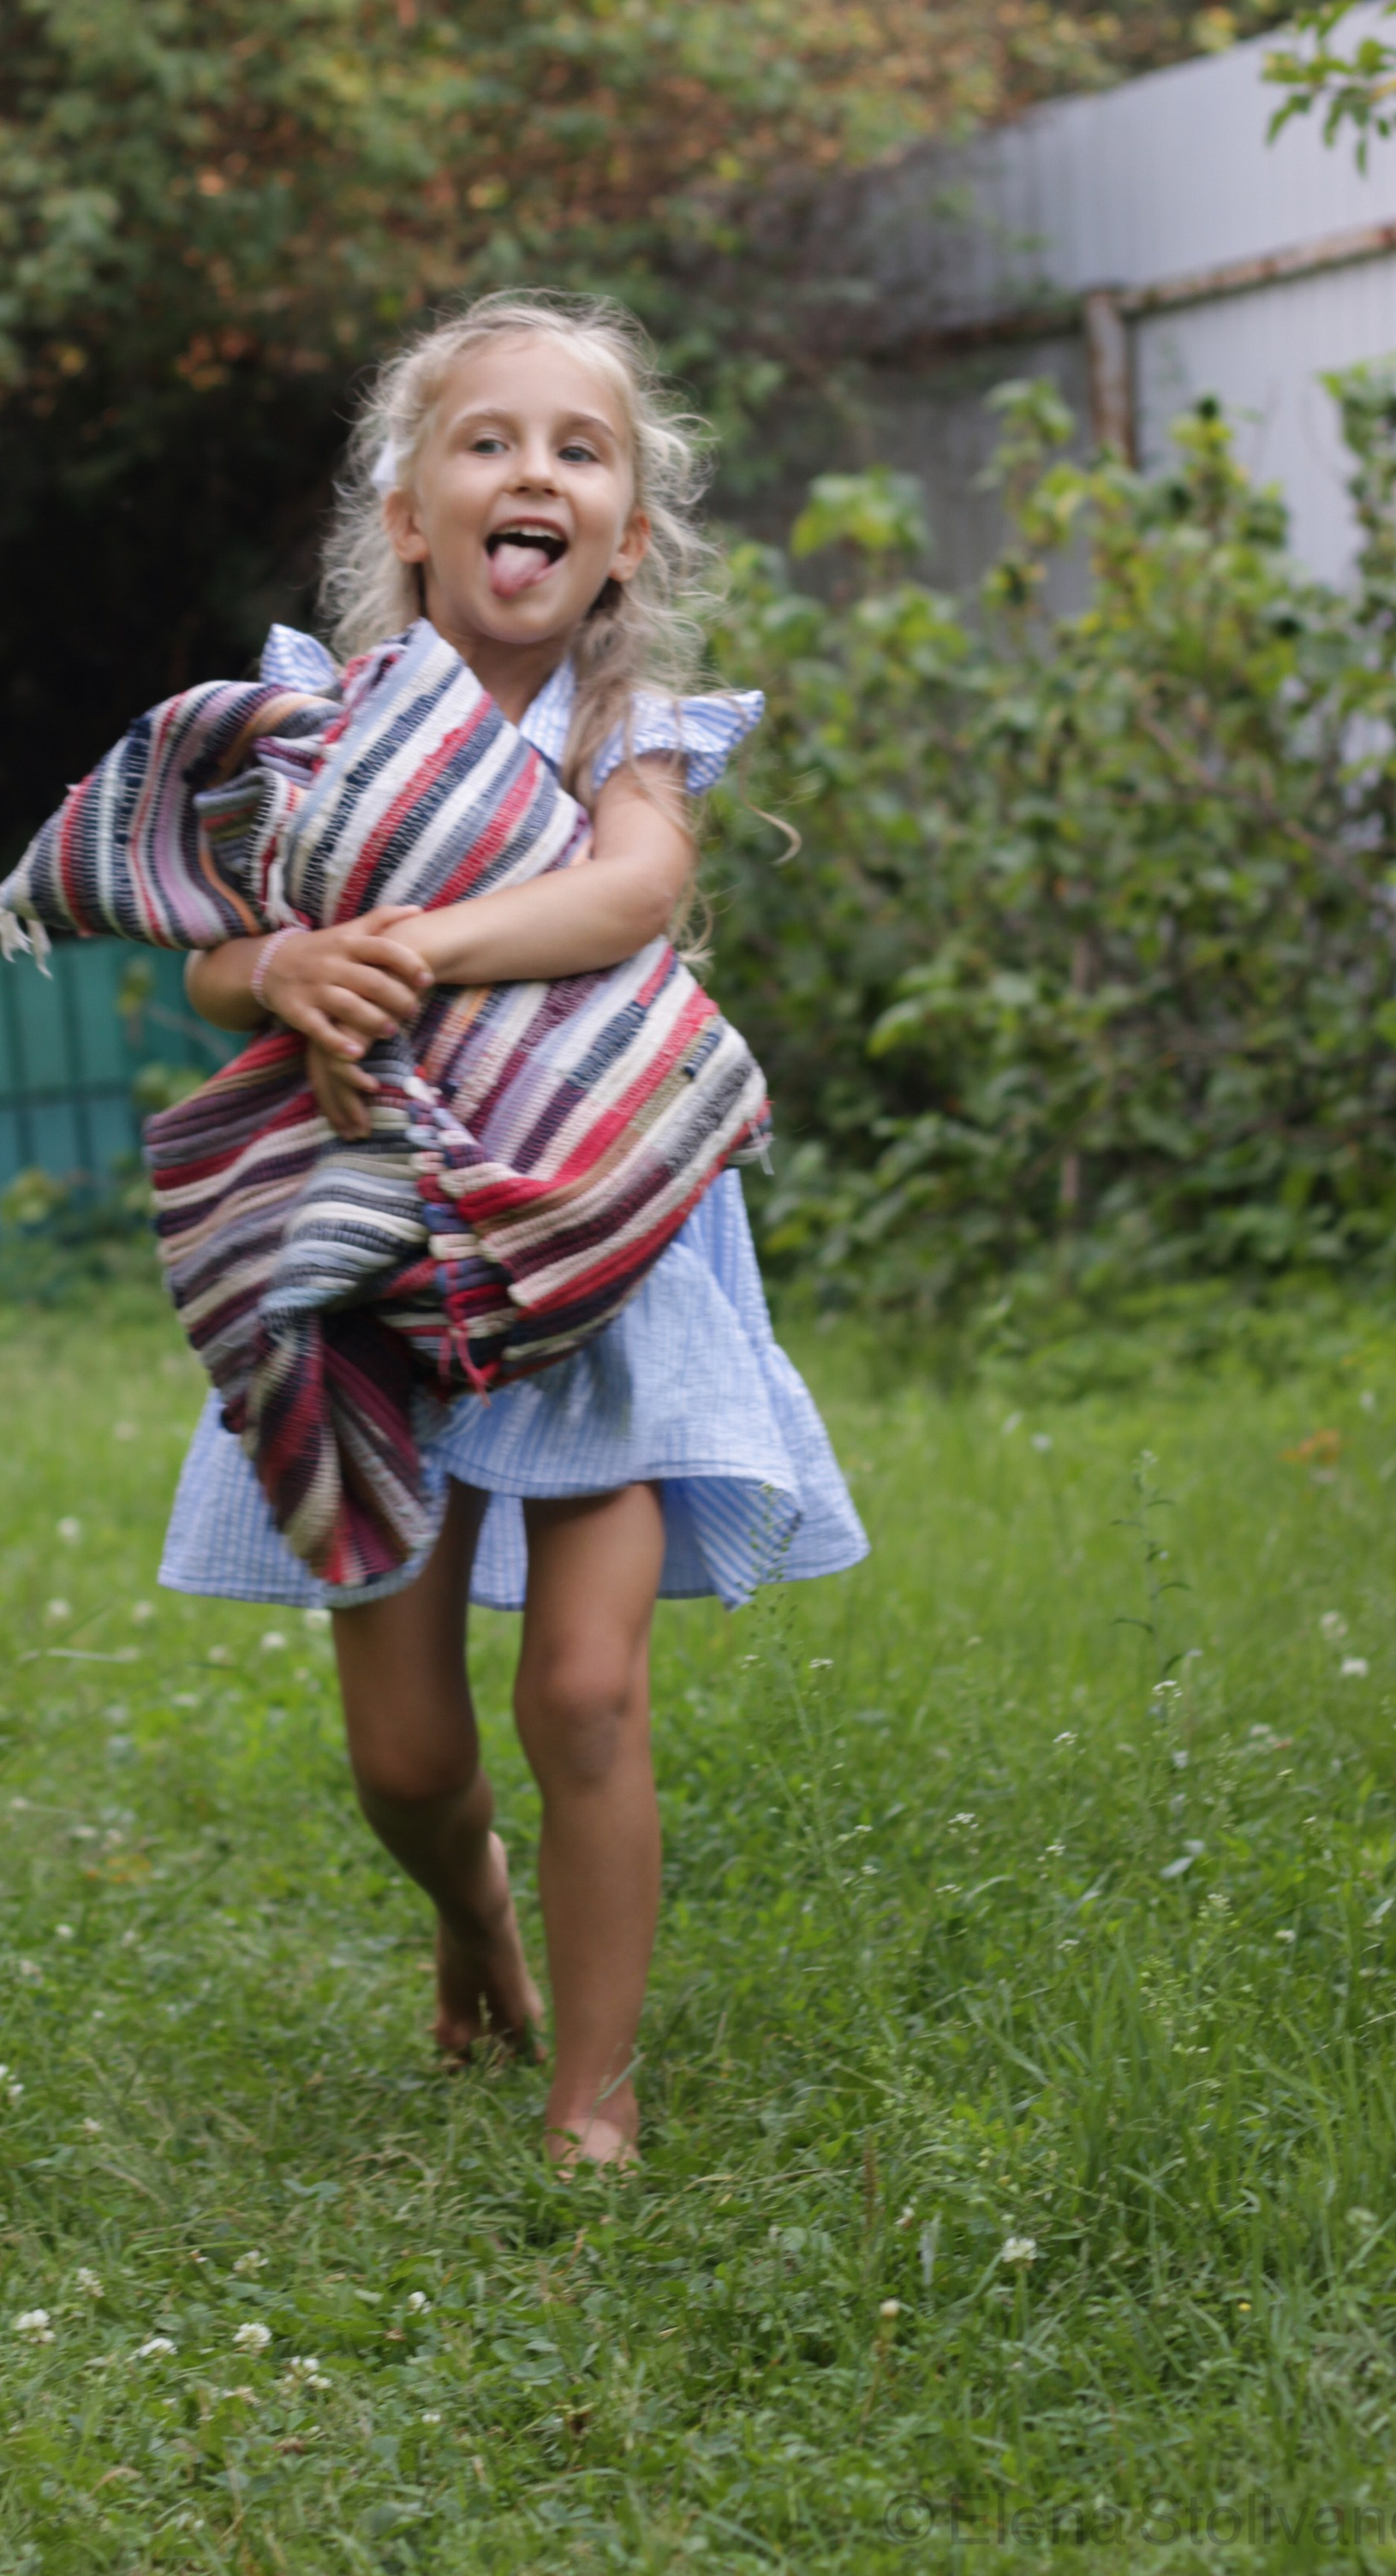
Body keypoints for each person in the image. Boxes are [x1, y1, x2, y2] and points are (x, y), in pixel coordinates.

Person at [162, 290, 867, 2168]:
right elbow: (217, 963)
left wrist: (424, 946)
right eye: (487, 443)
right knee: (398, 1753)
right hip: (379, 1252)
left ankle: (594, 2097)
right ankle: (473, 1911)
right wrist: (285, 961)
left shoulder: (620, 726)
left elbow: (631, 893)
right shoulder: (320, 721)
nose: (530, 473)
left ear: (624, 535)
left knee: (582, 1680)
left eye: (578, 449)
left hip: (600, 1245)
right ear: (408, 513)